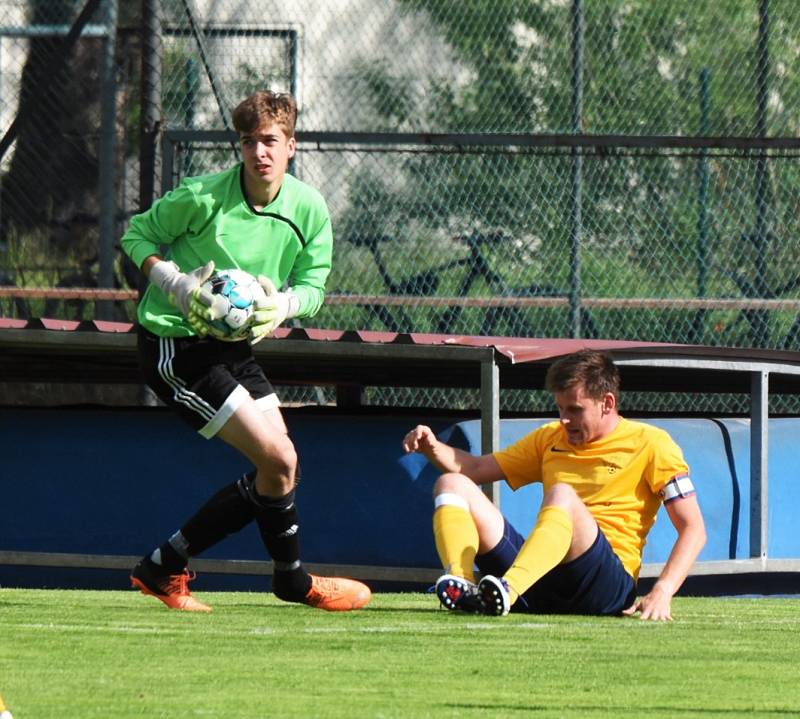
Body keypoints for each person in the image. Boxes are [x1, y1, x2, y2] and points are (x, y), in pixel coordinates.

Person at [120, 90, 370, 613]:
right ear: (240, 146)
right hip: (175, 345)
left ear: (291, 146)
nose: (260, 151)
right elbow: (137, 235)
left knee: (282, 470)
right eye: (249, 141)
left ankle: (164, 565)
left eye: (270, 141)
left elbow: (315, 286)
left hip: (232, 348)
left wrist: (281, 306)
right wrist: (172, 281)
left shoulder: (308, 208)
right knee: (277, 458)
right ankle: (294, 582)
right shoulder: (203, 196)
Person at [402, 349, 706, 621]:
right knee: (451, 484)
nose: (564, 419)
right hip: (540, 580)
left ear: (607, 403)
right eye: (560, 409)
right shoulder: (549, 438)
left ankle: (508, 591)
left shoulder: (653, 444)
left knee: (561, 493)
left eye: (574, 409)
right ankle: (462, 586)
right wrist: (432, 447)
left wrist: (663, 590)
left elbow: (693, 528)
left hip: (604, 586)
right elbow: (477, 468)